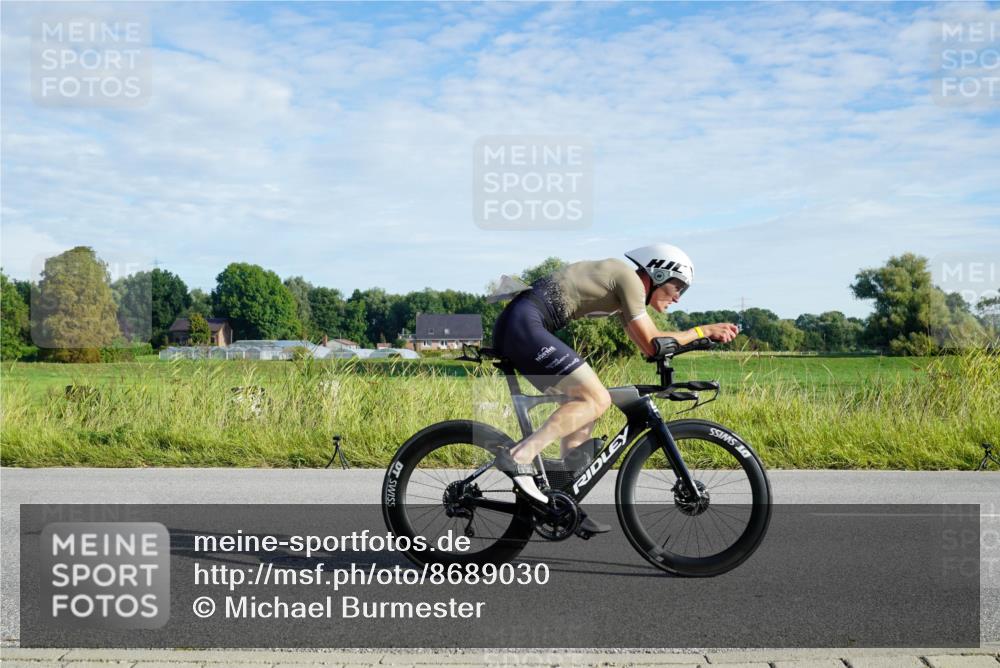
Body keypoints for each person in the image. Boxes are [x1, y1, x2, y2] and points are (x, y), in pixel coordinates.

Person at [490, 243, 739, 534]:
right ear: (659, 274)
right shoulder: (628, 279)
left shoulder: (624, 295)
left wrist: (697, 341)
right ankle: (519, 456)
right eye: (679, 288)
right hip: (524, 325)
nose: (678, 298)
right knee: (596, 399)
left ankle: (561, 496)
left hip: (521, 324)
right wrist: (700, 331)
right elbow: (653, 343)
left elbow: (652, 347)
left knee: (584, 406)